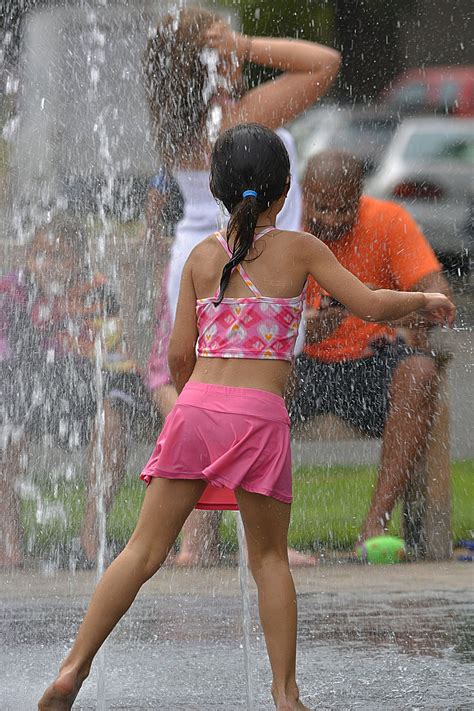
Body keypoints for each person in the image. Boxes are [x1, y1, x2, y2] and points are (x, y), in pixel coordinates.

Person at [38, 123, 455, 711]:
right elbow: (371, 303)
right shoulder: (300, 249)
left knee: (141, 551)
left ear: (216, 191)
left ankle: (71, 669)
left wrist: (197, 407)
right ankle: (286, 695)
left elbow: (179, 355)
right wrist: (425, 300)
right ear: (287, 193)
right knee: (267, 559)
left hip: (196, 410)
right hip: (258, 418)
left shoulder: (202, 257)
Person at [143, 5, 341, 566]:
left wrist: (223, 53)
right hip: (251, 260)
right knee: (254, 389)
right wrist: (245, 43)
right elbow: (325, 64)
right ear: (213, 58)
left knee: (203, 386)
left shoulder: (177, 122)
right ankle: (258, 540)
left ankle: (193, 537)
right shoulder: (243, 118)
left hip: (198, 258)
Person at [290, 150, 455, 548]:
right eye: (321, 207)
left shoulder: (388, 220)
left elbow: (438, 296)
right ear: (303, 196)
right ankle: (263, 537)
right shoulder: (284, 228)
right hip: (299, 367)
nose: (331, 219)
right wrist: (307, 329)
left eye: (343, 208)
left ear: (359, 196)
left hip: (369, 365)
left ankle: (374, 527)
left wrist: (408, 318)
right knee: (253, 381)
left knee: (420, 373)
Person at [0, 214, 155, 567]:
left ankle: (91, 534)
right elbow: (5, 354)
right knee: (5, 426)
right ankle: (10, 542)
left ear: (81, 259)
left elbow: (115, 359)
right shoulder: (11, 291)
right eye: (42, 255)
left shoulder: (96, 291)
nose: (51, 266)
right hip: (27, 394)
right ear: (28, 257)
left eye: (62, 257)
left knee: (113, 419)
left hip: (81, 397)